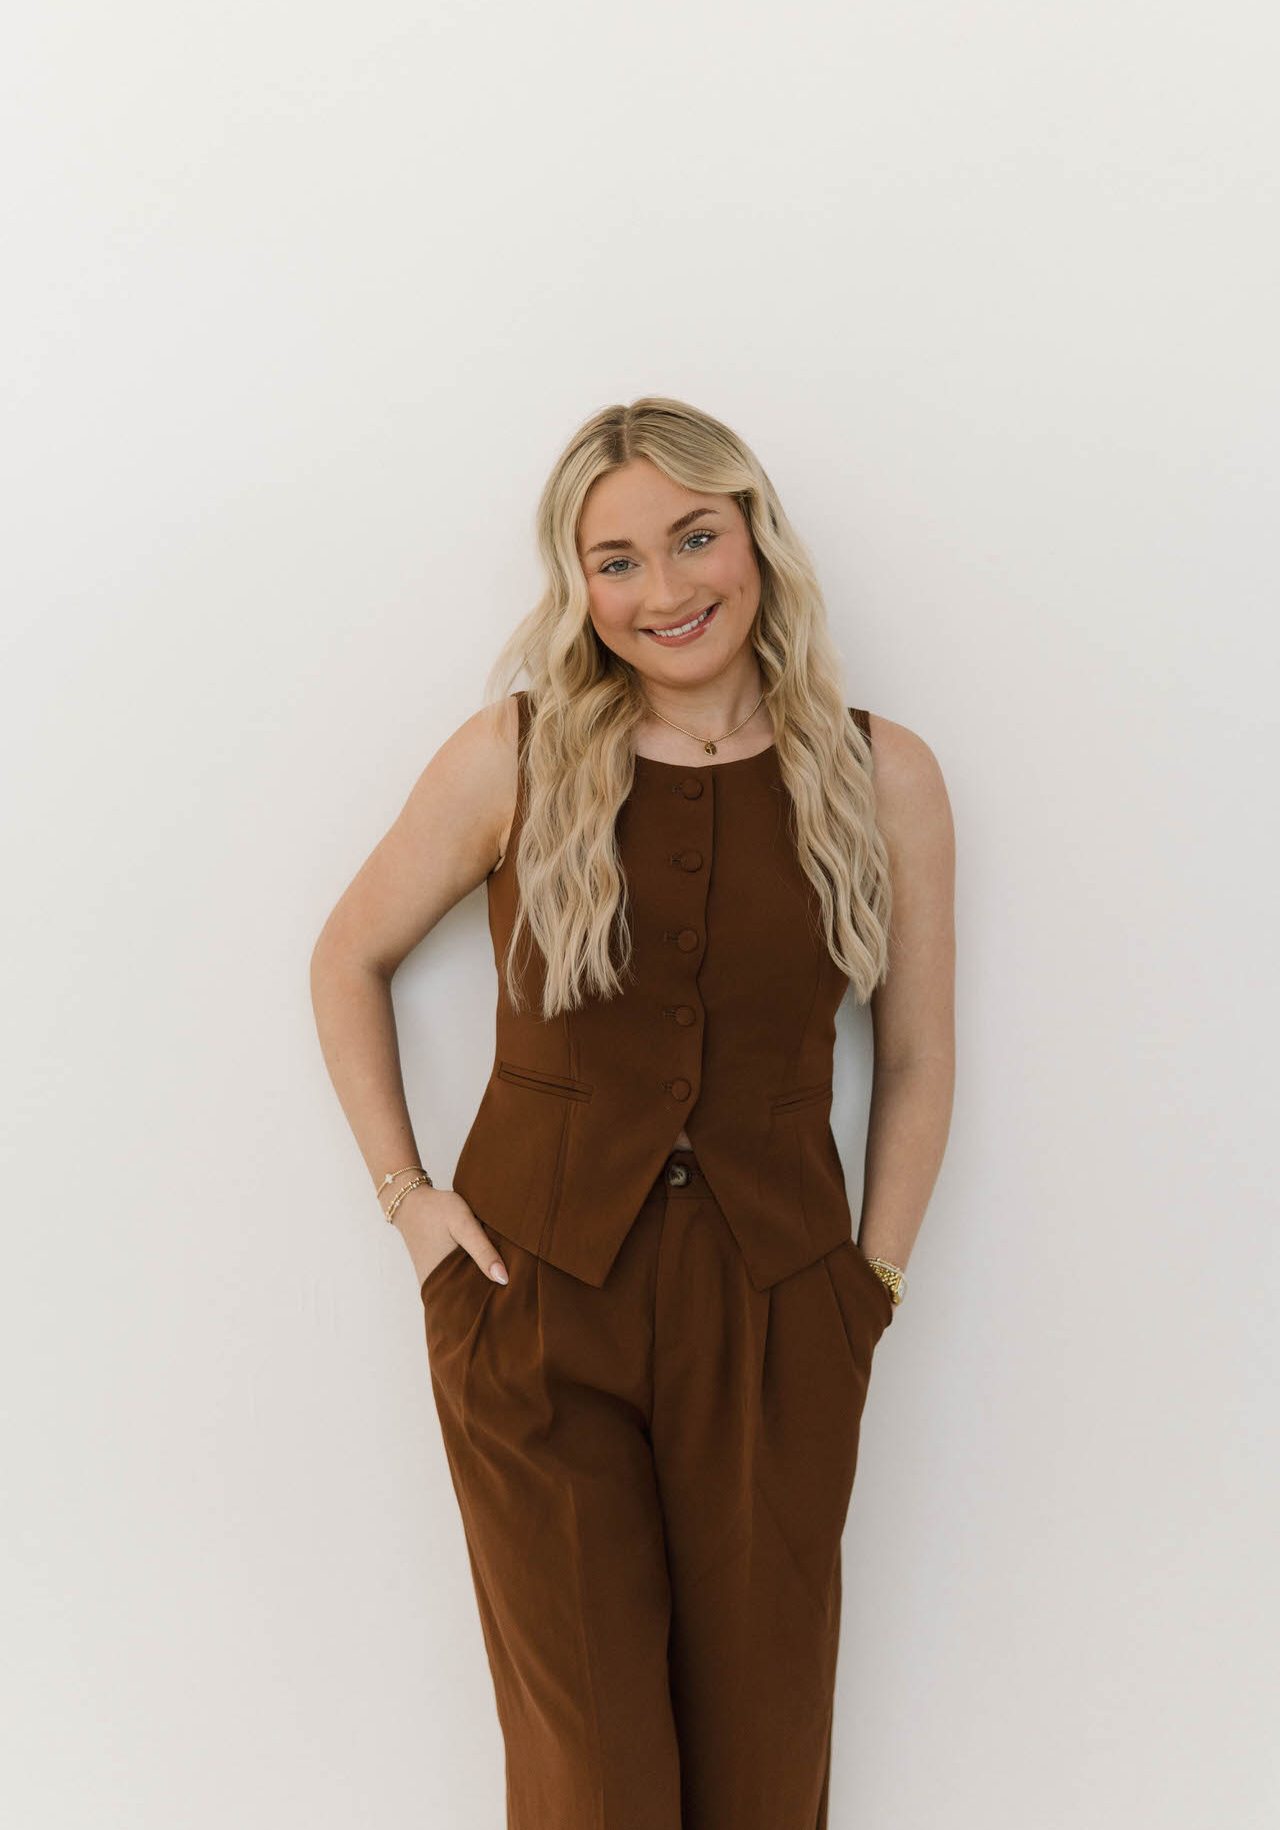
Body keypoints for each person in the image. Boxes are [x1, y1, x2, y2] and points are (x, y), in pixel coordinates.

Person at [309, 395, 956, 1829]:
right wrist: (409, 1203)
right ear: (579, 586)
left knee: (764, 1773)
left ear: (753, 539)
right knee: (590, 1781)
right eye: (617, 560)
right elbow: (344, 954)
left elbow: (914, 1056)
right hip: (531, 1311)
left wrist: (872, 1282)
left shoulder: (879, 774)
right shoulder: (513, 757)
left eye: (694, 538)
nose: (665, 591)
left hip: (782, 1319)